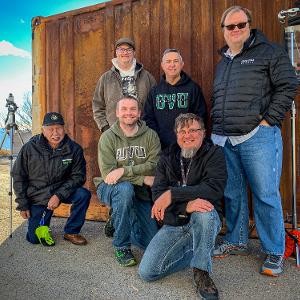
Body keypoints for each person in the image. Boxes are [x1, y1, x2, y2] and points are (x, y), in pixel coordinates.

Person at [211, 6, 298, 276]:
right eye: (230, 26)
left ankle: (274, 251)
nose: (236, 30)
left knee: (265, 194)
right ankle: (236, 240)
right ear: (223, 30)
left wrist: (268, 120)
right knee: (232, 192)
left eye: (241, 25)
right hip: (225, 138)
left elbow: (289, 85)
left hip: (257, 136)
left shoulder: (269, 52)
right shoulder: (224, 60)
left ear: (250, 25)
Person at [139, 113, 227, 300]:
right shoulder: (167, 156)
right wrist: (186, 206)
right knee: (148, 272)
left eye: (193, 130)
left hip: (205, 220)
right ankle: (198, 251)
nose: (187, 135)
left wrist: (173, 194)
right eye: (182, 131)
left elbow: (213, 189)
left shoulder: (215, 154)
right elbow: (157, 195)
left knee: (204, 212)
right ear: (176, 135)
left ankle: (201, 270)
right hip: (176, 220)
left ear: (203, 133)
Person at [94, 96, 161, 267]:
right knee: (124, 190)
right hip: (110, 187)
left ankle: (117, 217)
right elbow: (109, 175)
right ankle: (121, 246)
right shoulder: (108, 137)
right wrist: (141, 178)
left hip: (139, 191)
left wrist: (124, 170)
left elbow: (153, 166)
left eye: (133, 109)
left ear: (139, 113)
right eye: (124, 109)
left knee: (151, 242)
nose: (128, 113)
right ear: (117, 113)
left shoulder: (151, 136)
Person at [13, 112, 91, 246]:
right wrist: (23, 204)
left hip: (62, 190)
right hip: (38, 195)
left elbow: (79, 176)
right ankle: (43, 223)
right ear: (43, 130)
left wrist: (58, 195)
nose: (55, 133)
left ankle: (71, 231)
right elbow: (19, 176)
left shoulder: (74, 149)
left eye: (59, 128)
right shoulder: (29, 148)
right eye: (50, 129)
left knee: (83, 194)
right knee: (34, 239)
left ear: (64, 129)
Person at [143, 48, 207, 149]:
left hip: (187, 145)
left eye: (176, 61)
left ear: (182, 64)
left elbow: (200, 117)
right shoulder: (155, 92)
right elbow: (148, 119)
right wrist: (159, 138)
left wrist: (189, 136)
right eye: (168, 61)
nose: (172, 65)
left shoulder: (193, 88)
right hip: (162, 147)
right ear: (162, 65)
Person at [92, 37, 156, 133]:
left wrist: (149, 128)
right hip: (115, 134)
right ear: (116, 52)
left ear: (134, 53)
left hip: (142, 133)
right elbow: (97, 106)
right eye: (121, 49)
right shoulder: (106, 78)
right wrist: (106, 128)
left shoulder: (147, 77)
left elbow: (155, 105)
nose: (125, 53)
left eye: (128, 49)